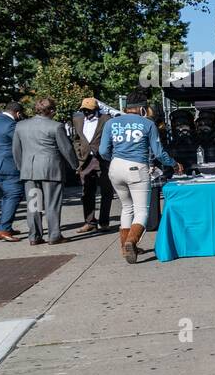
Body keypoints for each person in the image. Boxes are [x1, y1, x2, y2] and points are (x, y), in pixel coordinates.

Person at [99, 92, 178, 264]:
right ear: (142, 108)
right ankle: (131, 241)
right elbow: (159, 153)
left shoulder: (110, 123)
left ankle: (124, 247)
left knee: (127, 208)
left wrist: (114, 159)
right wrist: (173, 163)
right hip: (137, 167)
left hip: (115, 167)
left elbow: (103, 151)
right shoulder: (147, 124)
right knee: (141, 210)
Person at [12, 97, 79, 246]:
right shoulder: (56, 126)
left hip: (29, 170)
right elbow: (66, 149)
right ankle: (54, 235)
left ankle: (34, 236)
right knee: (52, 204)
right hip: (51, 170)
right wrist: (75, 165)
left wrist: (20, 167)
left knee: (33, 205)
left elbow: (16, 150)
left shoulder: (21, 126)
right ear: (51, 110)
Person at [71, 97, 114, 234]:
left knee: (106, 191)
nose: (86, 113)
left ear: (96, 110)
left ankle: (104, 222)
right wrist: (79, 153)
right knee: (87, 192)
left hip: (103, 160)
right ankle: (90, 222)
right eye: (83, 110)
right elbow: (76, 139)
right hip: (85, 160)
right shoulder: (78, 120)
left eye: (88, 111)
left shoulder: (106, 120)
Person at [0, 101, 26, 242]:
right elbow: (21, 142)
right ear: (17, 113)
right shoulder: (11, 125)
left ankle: (3, 226)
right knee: (15, 194)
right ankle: (3, 229)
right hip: (8, 165)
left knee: (8, 195)